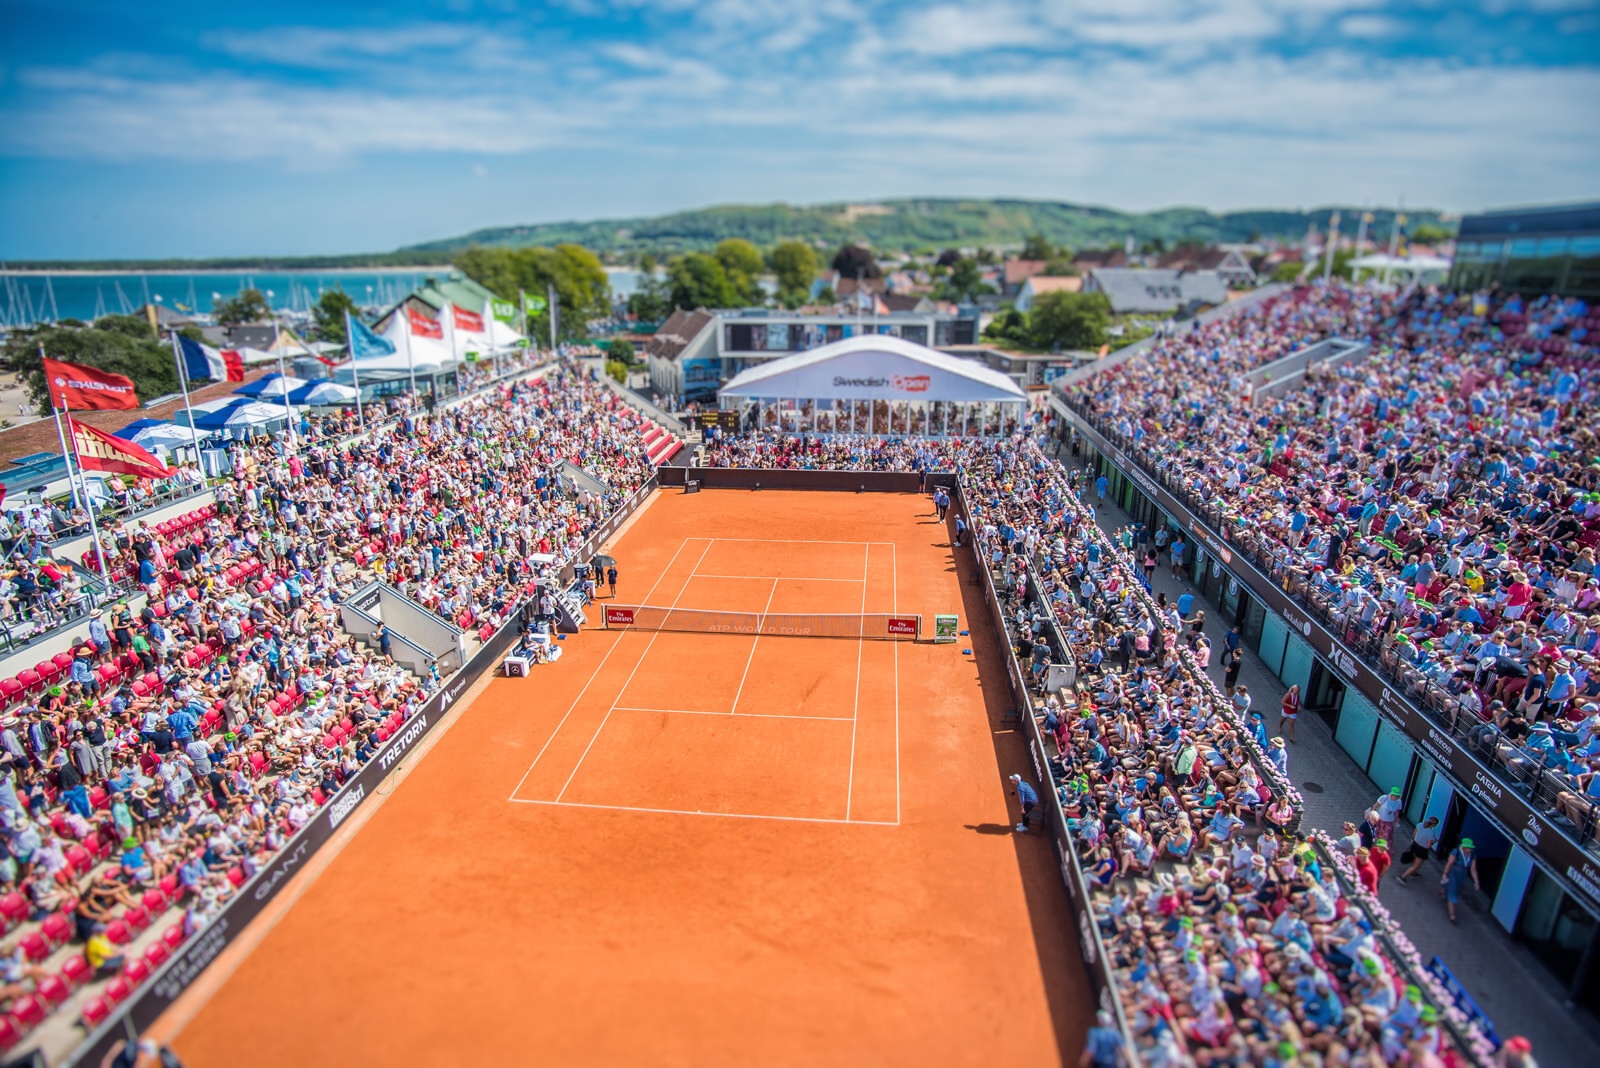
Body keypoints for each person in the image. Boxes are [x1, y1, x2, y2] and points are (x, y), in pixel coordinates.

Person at [1440, 837, 1480, 924]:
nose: (1470, 849)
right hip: (1453, 872)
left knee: (1454, 888)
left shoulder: (1472, 856)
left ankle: (1443, 889)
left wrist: (1476, 881)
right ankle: (1452, 915)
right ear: (1464, 847)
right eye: (1468, 848)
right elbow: (1450, 863)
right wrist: (1445, 873)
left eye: (1471, 848)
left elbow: (1473, 869)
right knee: (1453, 892)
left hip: (1462, 875)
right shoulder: (1456, 852)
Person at [1397, 816, 1440, 885]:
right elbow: (1428, 845)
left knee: (1414, 859)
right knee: (1416, 865)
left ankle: (1413, 873)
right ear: (1434, 825)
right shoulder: (1431, 833)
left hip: (1415, 845)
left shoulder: (1420, 825)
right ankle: (1402, 877)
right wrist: (1435, 841)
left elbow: (1414, 834)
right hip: (1422, 849)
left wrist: (1413, 840)